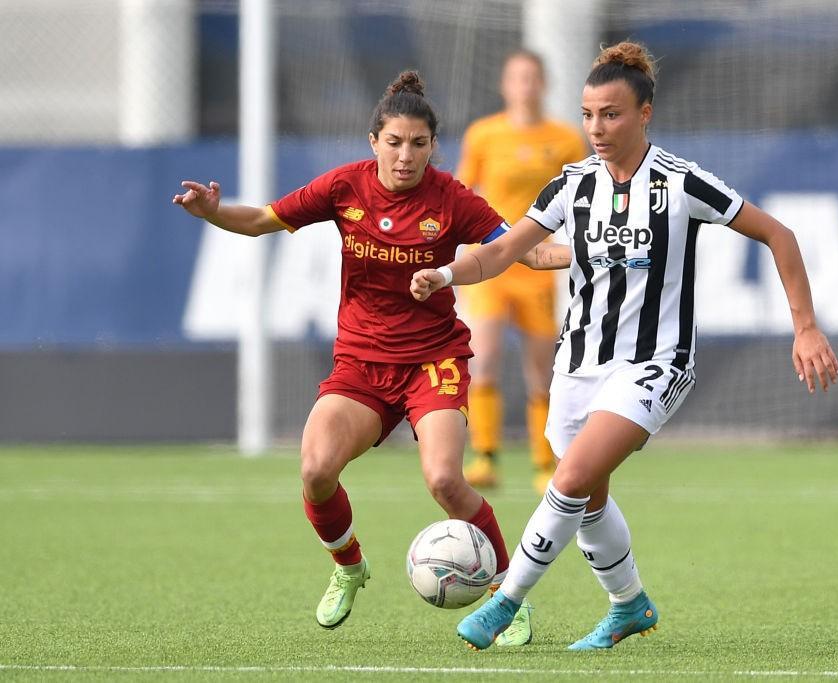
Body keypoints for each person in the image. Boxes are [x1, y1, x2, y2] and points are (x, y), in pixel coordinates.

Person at [410, 42, 838, 651]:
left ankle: (505, 601)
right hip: (578, 362)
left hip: (656, 361)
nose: (596, 128)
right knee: (587, 498)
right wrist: (449, 275)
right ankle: (629, 604)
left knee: (575, 474)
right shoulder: (572, 185)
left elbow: (778, 232)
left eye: (610, 114)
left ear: (645, 114)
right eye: (588, 115)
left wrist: (805, 326)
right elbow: (507, 251)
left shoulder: (681, 181)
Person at [172, 71, 565, 633]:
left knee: (445, 481)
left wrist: (597, 252)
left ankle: (509, 595)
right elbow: (262, 220)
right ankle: (349, 567)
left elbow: (524, 252)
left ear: (434, 146)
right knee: (315, 471)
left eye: (419, 144)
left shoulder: (452, 198)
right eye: (395, 142)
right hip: (360, 364)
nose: (406, 156)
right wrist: (213, 211)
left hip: (433, 361)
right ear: (374, 141)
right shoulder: (344, 187)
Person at [456, 50, 588, 495]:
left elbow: (582, 195)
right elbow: (462, 190)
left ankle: (544, 462)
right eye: (517, 77)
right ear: (505, 85)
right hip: (492, 261)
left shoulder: (565, 139)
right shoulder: (484, 135)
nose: (525, 85)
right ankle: (484, 457)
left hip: (537, 265)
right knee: (485, 358)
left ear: (544, 84)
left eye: (532, 77)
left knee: (541, 371)